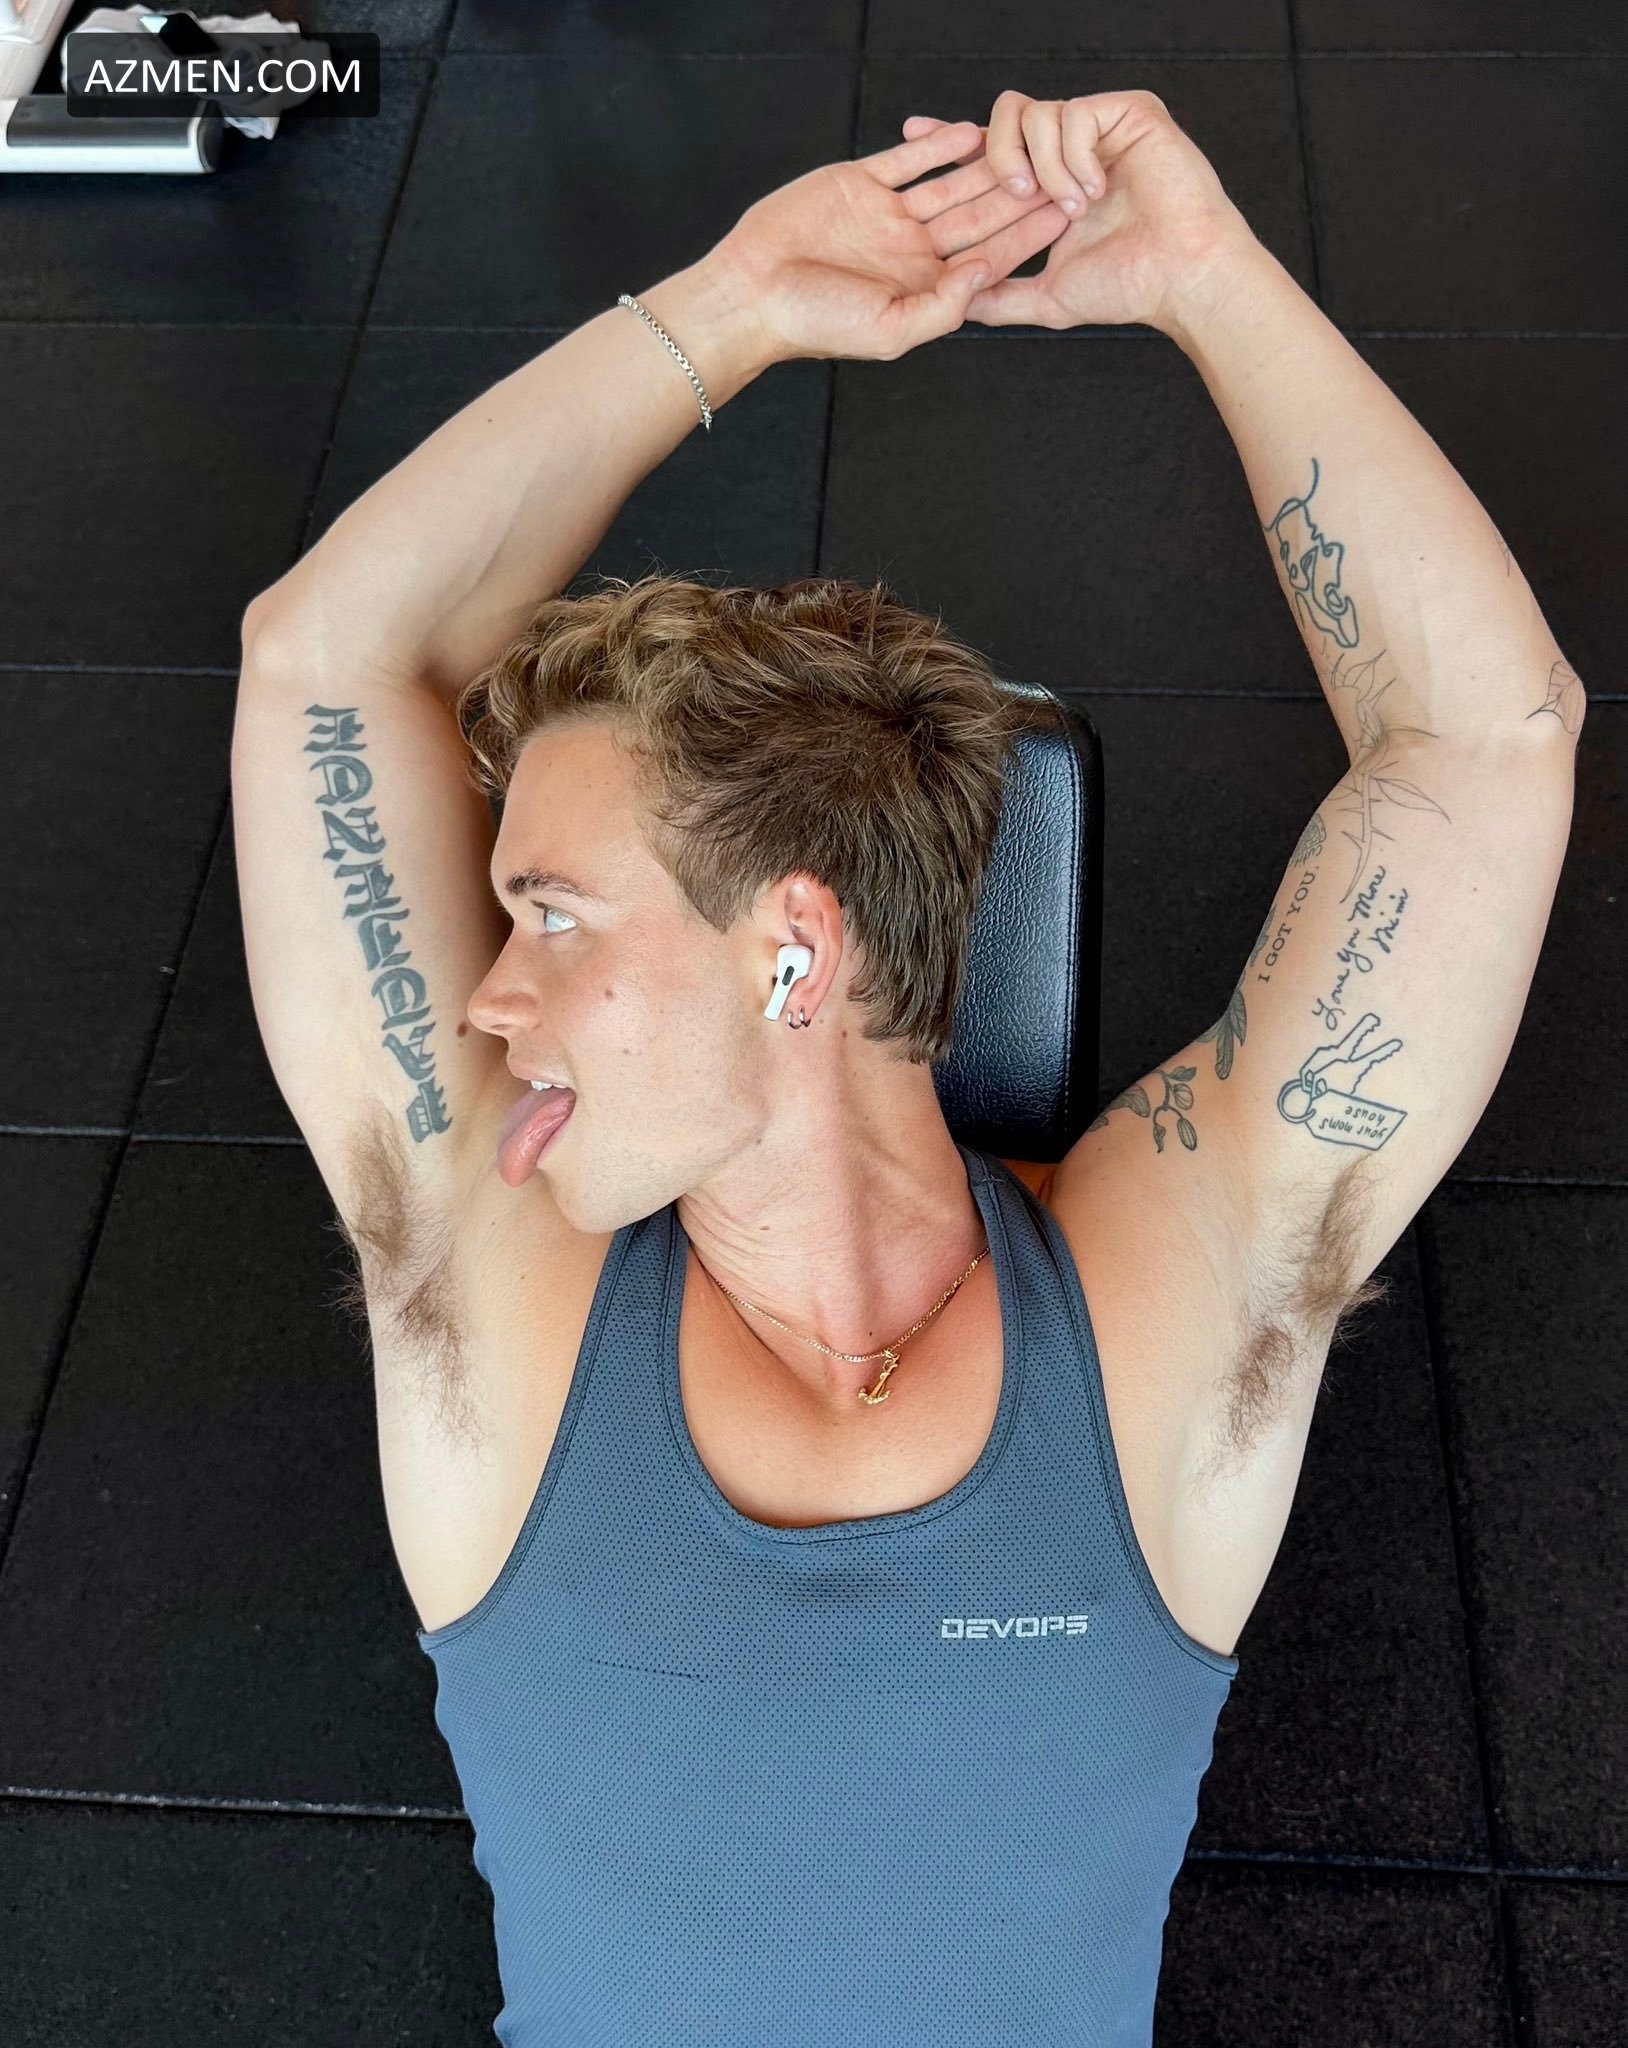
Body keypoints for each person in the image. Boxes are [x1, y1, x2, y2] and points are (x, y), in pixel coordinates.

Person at [232, 88, 1583, 2047]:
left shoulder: (1165, 1309)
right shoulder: (487, 1277)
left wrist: (1210, 275)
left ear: (791, 947)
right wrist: (731, 307)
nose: (491, 999)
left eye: (556, 915)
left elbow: (1487, 745)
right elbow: (322, 662)